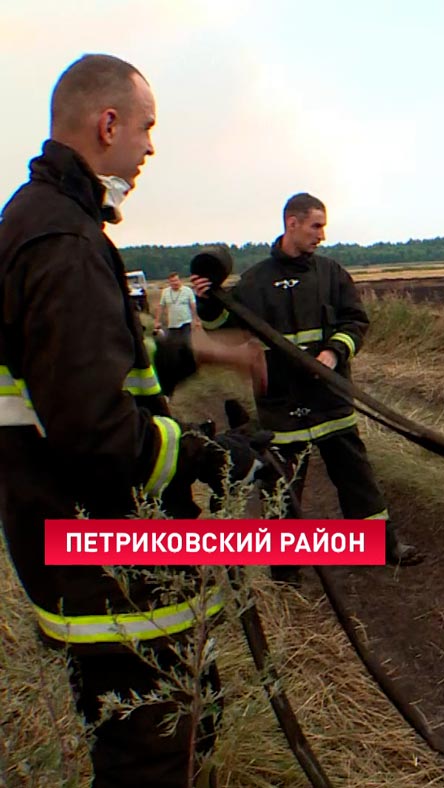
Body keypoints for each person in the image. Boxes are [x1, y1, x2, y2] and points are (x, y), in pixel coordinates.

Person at [0, 54, 266, 788]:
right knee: (154, 758)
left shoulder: (54, 224)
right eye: (146, 129)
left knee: (180, 729)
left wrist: (200, 350)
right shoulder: (61, 241)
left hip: (93, 554)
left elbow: (109, 365)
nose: (151, 148)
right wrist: (208, 457)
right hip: (109, 571)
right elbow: (93, 429)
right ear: (107, 123)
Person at [192, 193, 425, 575]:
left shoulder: (331, 274)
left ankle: (382, 546)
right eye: (316, 225)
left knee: (357, 478)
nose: (322, 234)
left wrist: (333, 354)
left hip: (329, 396)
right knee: (282, 491)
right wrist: (207, 302)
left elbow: (355, 322)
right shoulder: (255, 281)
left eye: (323, 226)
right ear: (292, 223)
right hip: (281, 404)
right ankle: (285, 569)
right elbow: (224, 328)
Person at [156, 270, 198, 340]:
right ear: (169, 282)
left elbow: (193, 306)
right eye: (172, 281)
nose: (175, 283)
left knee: (186, 343)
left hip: (185, 322)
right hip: (172, 324)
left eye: (176, 280)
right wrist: (157, 321)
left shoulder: (188, 291)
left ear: (179, 280)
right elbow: (161, 307)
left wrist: (196, 319)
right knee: (174, 344)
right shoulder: (165, 292)